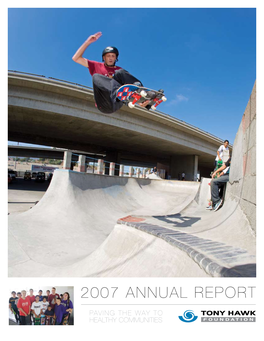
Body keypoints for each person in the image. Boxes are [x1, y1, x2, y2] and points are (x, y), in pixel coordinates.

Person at [72, 32, 150, 114]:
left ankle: (143, 94)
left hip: (116, 103)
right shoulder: (96, 66)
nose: (110, 58)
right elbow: (76, 58)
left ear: (116, 58)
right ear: (104, 58)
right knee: (96, 76)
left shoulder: (119, 70)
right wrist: (88, 42)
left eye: (113, 56)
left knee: (121, 72)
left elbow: (127, 88)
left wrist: (140, 101)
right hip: (104, 103)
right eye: (108, 56)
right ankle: (117, 92)